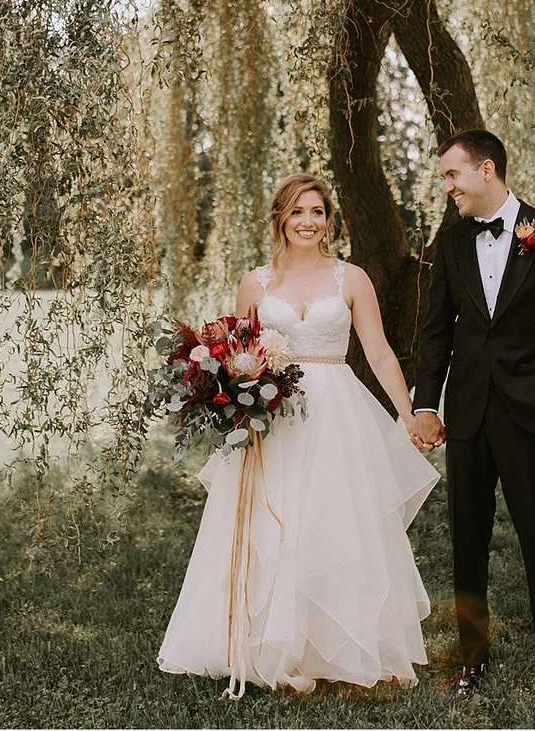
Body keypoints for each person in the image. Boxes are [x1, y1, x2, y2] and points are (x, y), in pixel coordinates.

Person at [157, 174, 442, 697]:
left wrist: (409, 413)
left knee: (337, 524)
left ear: (328, 220)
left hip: (338, 411)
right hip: (275, 414)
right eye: (297, 212)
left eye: (317, 212)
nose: (308, 221)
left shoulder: (351, 279)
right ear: (280, 219)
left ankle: (340, 645)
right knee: (278, 525)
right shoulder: (255, 284)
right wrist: (234, 398)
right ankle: (272, 650)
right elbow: (234, 352)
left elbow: (378, 352)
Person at [412, 129, 535, 696]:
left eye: (453, 175)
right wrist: (426, 403)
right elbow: (435, 332)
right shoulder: (449, 245)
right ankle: (471, 660)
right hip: (467, 413)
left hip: (529, 411)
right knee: (466, 540)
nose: (447, 186)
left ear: (487, 169)